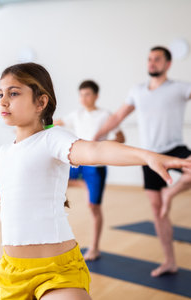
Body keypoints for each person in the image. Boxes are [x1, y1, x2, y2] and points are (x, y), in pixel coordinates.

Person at [0, 62, 191, 299]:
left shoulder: (52, 139)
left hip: (56, 270)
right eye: (0, 93)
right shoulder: (4, 152)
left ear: (41, 102)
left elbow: (96, 148)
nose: (4, 100)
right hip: (13, 271)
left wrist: (148, 156)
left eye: (14, 93)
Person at [93, 46, 191, 277]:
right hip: (149, 156)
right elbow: (118, 116)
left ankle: (171, 193)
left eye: (157, 59)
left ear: (168, 64)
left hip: (174, 148)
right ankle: (169, 261)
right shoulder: (137, 90)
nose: (152, 63)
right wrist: (96, 137)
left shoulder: (178, 88)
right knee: (158, 211)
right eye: (150, 59)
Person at [55, 80, 125, 261]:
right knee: (54, 183)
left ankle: (94, 248)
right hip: (77, 163)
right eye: (81, 95)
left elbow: (120, 137)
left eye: (87, 94)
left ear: (96, 96)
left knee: (94, 206)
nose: (83, 98)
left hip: (96, 167)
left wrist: (101, 147)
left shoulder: (105, 115)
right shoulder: (76, 114)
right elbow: (56, 123)